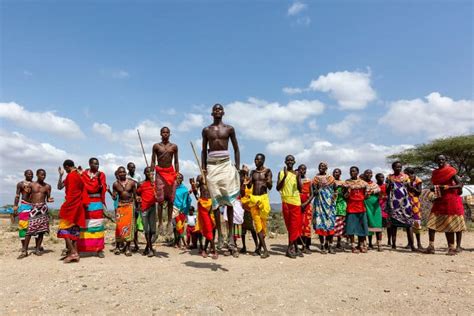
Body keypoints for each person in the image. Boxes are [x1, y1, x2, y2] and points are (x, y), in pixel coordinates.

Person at [201, 104, 241, 255]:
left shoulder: (229, 129)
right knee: (216, 202)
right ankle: (220, 236)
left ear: (223, 112)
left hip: (226, 164)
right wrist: (204, 169)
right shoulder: (206, 130)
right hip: (212, 166)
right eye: (215, 109)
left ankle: (230, 235)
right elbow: (204, 150)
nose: (217, 111)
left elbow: (236, 148)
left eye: (220, 109)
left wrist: (236, 167)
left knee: (230, 201)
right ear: (212, 113)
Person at [426, 154, 466, 255]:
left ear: (445, 160)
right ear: (436, 161)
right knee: (431, 223)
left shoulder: (450, 171)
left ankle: (452, 248)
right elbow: (433, 185)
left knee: (449, 224)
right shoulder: (435, 173)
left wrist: (448, 187)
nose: (441, 161)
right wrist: (433, 188)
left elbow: (459, 184)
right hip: (439, 199)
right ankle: (431, 246)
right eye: (439, 159)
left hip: (451, 200)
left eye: (443, 159)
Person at [18, 169, 53, 259]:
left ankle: (37, 249)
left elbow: (48, 199)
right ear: (37, 175)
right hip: (33, 208)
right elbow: (26, 197)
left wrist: (50, 200)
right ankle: (24, 250)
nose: (43, 176)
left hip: (43, 208)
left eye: (44, 175)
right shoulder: (31, 185)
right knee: (29, 230)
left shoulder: (48, 186)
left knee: (41, 230)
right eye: (41, 175)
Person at [151, 127, 179, 237]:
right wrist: (151, 173)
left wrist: (177, 173)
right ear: (160, 133)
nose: (165, 134)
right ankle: (160, 224)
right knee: (160, 200)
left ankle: (168, 223)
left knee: (171, 199)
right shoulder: (156, 146)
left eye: (167, 132)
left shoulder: (174, 147)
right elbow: (153, 160)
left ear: (170, 134)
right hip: (159, 173)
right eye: (163, 132)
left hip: (171, 173)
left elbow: (176, 161)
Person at [77, 158, 107, 258]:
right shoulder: (84, 174)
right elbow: (81, 185)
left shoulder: (101, 175)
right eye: (95, 164)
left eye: (98, 164)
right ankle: (82, 248)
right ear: (89, 164)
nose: (97, 166)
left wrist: (97, 179)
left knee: (98, 226)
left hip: (97, 202)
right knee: (84, 225)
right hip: (86, 202)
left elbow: (100, 188)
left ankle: (99, 249)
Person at [57, 160, 86, 263]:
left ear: (67, 166)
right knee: (73, 230)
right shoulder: (79, 175)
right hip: (79, 205)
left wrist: (66, 205)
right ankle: (74, 253)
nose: (65, 170)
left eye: (65, 169)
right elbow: (60, 187)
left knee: (63, 228)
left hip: (71, 205)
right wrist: (61, 175)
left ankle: (73, 252)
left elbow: (70, 193)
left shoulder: (71, 175)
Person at [247, 153, 273, 259]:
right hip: (254, 199)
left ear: (263, 160)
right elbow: (249, 185)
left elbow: (270, 187)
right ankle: (265, 250)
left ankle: (259, 248)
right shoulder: (252, 172)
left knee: (263, 225)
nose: (256, 161)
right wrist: (247, 181)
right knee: (258, 225)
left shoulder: (267, 171)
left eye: (258, 160)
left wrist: (267, 182)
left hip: (263, 199)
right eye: (255, 159)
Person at [276, 155, 302, 259]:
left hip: (295, 202)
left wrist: (298, 177)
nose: (290, 161)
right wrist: (285, 176)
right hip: (285, 201)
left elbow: (300, 189)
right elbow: (278, 188)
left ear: (294, 162)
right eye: (288, 160)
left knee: (295, 226)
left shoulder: (297, 173)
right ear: (285, 161)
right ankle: (295, 248)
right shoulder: (281, 173)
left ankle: (289, 248)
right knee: (289, 226)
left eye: (292, 160)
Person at [386, 161, 415, 251]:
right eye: (396, 167)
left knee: (409, 224)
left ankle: (412, 245)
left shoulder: (406, 177)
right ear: (393, 168)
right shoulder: (389, 177)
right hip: (394, 203)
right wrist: (389, 185)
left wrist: (408, 185)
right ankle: (393, 244)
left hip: (405, 203)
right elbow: (387, 191)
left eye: (400, 167)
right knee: (394, 225)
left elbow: (410, 188)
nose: (398, 168)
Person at [113, 166, 139, 256]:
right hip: (120, 206)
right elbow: (114, 197)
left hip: (130, 206)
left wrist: (138, 204)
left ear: (125, 173)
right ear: (118, 174)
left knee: (129, 227)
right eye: (120, 172)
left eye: (123, 172)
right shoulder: (115, 184)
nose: (122, 174)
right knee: (119, 227)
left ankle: (128, 248)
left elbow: (135, 196)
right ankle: (117, 247)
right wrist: (110, 192)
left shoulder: (131, 183)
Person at [190, 175, 218, 259]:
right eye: (198, 177)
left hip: (211, 206)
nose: (199, 178)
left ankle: (205, 249)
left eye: (200, 177)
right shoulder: (200, 187)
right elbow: (196, 196)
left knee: (211, 229)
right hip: (203, 207)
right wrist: (193, 186)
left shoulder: (209, 184)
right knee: (208, 230)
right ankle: (214, 251)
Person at [313, 162, 337, 254]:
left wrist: (334, 195)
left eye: (323, 166)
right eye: (320, 166)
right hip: (319, 203)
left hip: (330, 204)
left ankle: (330, 246)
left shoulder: (331, 178)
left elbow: (335, 190)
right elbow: (314, 191)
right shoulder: (315, 179)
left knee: (330, 224)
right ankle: (322, 246)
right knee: (321, 224)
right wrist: (317, 189)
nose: (321, 168)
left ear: (326, 168)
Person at [344, 166, 369, 254]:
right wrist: (348, 191)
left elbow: (367, 196)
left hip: (361, 207)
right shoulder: (347, 183)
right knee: (351, 227)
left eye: (354, 171)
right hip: (351, 207)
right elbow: (345, 196)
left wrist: (366, 194)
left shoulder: (363, 183)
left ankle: (361, 245)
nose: (352, 173)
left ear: (358, 172)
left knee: (362, 227)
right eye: (351, 171)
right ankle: (353, 246)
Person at [137, 167, 157, 257]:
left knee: (153, 231)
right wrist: (138, 199)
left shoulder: (155, 184)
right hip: (144, 208)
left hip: (153, 207)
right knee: (147, 230)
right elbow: (137, 194)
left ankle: (147, 248)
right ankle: (150, 249)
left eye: (152, 172)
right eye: (148, 172)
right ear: (145, 173)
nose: (150, 173)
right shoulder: (141, 184)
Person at [13, 169, 34, 251]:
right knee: (23, 226)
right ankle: (24, 246)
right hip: (24, 206)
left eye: (32, 174)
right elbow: (17, 196)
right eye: (29, 174)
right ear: (25, 174)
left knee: (34, 226)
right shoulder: (20, 184)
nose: (31, 175)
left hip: (34, 206)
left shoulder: (35, 184)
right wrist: (15, 207)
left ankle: (37, 246)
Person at [362, 169, 383, 251]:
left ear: (372, 175)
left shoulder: (375, 185)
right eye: (366, 173)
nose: (368, 174)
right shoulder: (361, 184)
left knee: (378, 225)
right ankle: (366, 244)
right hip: (365, 206)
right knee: (366, 224)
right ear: (364, 174)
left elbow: (380, 194)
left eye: (370, 173)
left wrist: (373, 192)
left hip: (375, 207)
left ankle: (379, 244)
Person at [404, 167, 424, 250]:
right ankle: (410, 243)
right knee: (408, 223)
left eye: (405, 173)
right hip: (406, 202)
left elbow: (419, 192)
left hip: (415, 202)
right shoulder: (405, 180)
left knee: (416, 222)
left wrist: (410, 187)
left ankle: (419, 243)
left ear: (408, 173)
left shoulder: (417, 180)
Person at [127, 162, 144, 251]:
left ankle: (136, 243)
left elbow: (140, 188)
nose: (132, 169)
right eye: (130, 167)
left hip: (136, 201)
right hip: (128, 201)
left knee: (135, 223)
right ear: (128, 168)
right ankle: (128, 243)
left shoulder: (138, 176)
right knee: (129, 223)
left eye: (133, 167)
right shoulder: (126, 177)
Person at [298, 164, 314, 253]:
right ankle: (300, 245)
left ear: (306, 170)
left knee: (306, 225)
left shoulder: (309, 181)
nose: (302, 171)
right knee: (299, 225)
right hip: (297, 205)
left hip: (307, 205)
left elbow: (312, 194)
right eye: (300, 169)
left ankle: (307, 246)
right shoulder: (296, 180)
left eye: (304, 169)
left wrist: (305, 203)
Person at [333, 168, 347, 250]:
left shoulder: (343, 183)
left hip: (341, 204)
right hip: (332, 204)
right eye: (335, 172)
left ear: (340, 173)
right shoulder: (330, 182)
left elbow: (345, 195)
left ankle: (338, 242)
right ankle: (330, 242)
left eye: (338, 172)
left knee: (341, 224)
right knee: (332, 223)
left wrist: (341, 189)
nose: (336, 173)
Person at [376, 173, 391, 246]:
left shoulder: (386, 186)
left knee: (388, 225)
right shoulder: (375, 186)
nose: (381, 178)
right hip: (377, 206)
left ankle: (389, 240)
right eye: (380, 177)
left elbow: (389, 193)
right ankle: (378, 240)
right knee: (378, 225)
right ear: (376, 178)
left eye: (382, 177)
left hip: (385, 207)